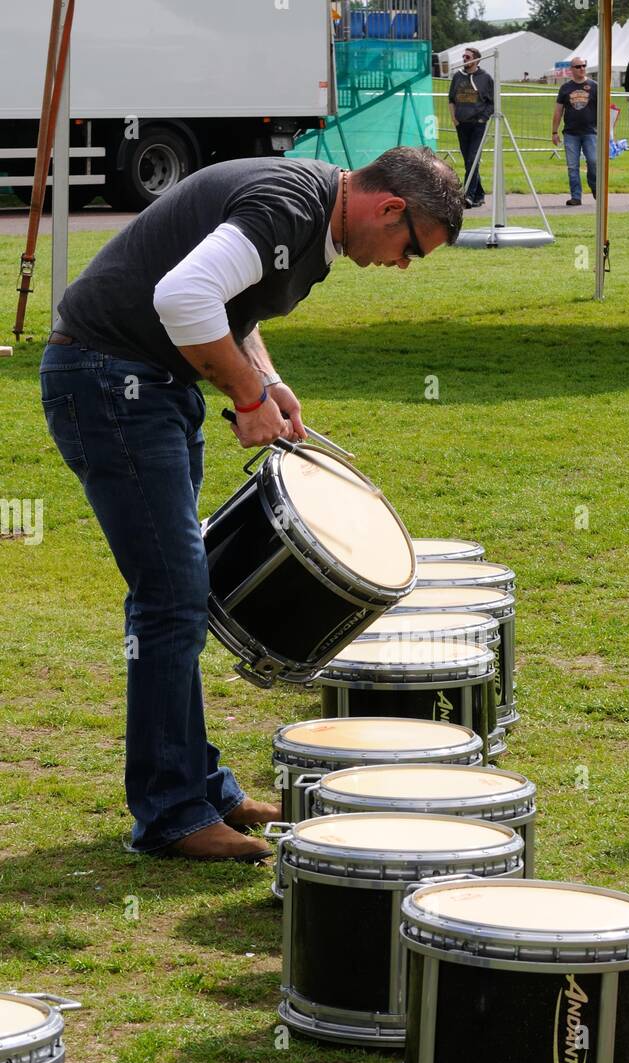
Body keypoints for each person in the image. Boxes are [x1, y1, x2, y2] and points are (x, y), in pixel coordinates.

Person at [40, 148, 463, 862]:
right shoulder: (289, 204)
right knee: (172, 595)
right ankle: (171, 816)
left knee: (179, 593)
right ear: (391, 209)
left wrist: (267, 380)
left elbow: (225, 302)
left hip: (141, 384)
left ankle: (202, 789)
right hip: (112, 382)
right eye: (411, 248)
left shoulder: (308, 211)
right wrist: (242, 394)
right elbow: (182, 298)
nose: (402, 265)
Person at [448, 47, 494, 208]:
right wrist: (454, 119)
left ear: (476, 60)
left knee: (472, 159)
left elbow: (491, 102)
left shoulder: (485, 78)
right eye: (463, 56)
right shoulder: (458, 77)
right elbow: (451, 99)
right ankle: (479, 195)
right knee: (468, 161)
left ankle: (468, 195)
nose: (464, 59)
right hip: (462, 124)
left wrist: (483, 119)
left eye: (467, 56)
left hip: (478, 125)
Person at [552, 56, 597, 207]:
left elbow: (604, 108)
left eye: (584, 65)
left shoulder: (594, 86)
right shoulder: (565, 88)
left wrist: (607, 130)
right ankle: (576, 197)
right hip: (571, 133)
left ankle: (595, 186)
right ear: (571, 69)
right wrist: (554, 131)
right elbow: (558, 111)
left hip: (590, 131)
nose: (581, 68)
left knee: (593, 161)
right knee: (572, 166)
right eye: (577, 66)